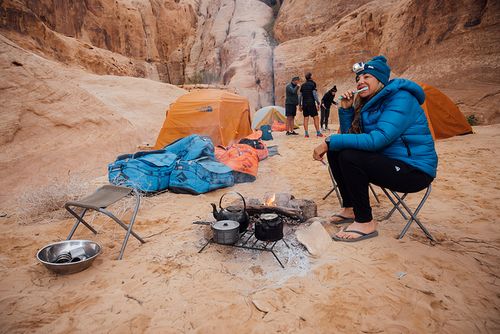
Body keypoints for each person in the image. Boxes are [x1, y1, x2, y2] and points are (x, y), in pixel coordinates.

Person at [312, 55, 438, 242]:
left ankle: (365, 221)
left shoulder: (401, 98)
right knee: (338, 151)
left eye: (366, 77)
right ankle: (350, 209)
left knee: (347, 155)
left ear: (380, 79)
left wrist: (329, 140)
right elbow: (353, 139)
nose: (360, 82)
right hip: (390, 162)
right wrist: (346, 111)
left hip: (414, 170)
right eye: (358, 79)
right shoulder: (371, 103)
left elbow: (378, 140)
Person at [300, 72, 323, 138]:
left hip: (304, 103)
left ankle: (306, 134)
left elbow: (300, 96)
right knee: (316, 117)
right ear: (310, 77)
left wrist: (300, 105)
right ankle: (318, 133)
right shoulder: (313, 84)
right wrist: (318, 102)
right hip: (311, 103)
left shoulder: (303, 85)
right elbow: (314, 94)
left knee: (306, 118)